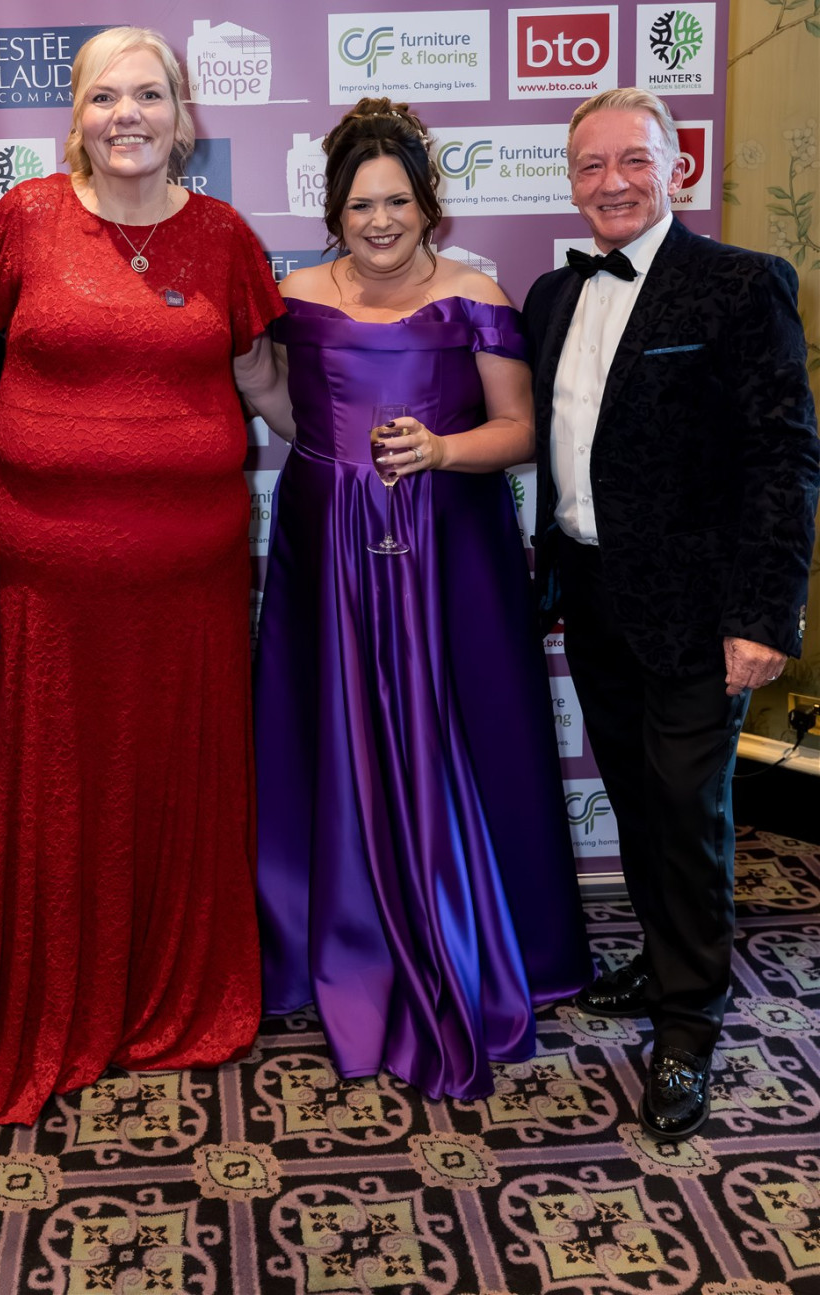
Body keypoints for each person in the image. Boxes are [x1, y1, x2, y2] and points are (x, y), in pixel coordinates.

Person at [0, 26, 287, 1126]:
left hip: (191, 588)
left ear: (184, 114)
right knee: (59, 785)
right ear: (74, 116)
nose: (127, 114)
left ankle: (173, 977)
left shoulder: (225, 236)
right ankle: (49, 988)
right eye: (103, 96)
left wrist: (377, 456)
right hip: (52, 586)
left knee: (174, 776)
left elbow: (265, 380)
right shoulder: (22, 221)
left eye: (149, 94)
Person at [255, 97, 590, 1101]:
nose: (381, 221)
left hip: (450, 545)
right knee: (330, 725)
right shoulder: (292, 294)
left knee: (463, 726)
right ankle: (331, 934)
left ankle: (481, 932)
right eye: (361, 204)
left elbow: (519, 429)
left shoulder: (476, 293)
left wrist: (441, 451)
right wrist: (247, 375)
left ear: (429, 205)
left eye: (398, 201)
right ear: (334, 210)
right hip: (327, 539)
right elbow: (289, 411)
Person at [522, 86, 818, 1141]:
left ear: (677, 167)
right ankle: (661, 958)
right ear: (571, 180)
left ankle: (688, 1023)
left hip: (703, 613)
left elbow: (784, 457)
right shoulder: (551, 296)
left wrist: (765, 615)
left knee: (689, 813)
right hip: (595, 598)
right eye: (591, 164)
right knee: (640, 801)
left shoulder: (740, 284)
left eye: (634, 161)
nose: (612, 182)